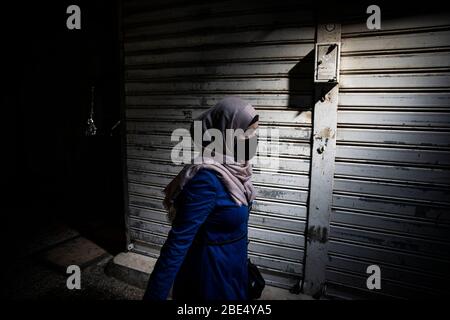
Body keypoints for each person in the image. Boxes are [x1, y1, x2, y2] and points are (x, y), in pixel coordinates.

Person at [142, 96, 259, 301]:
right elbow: (177, 245)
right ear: (226, 132)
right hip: (210, 281)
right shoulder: (207, 179)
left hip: (234, 274)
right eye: (247, 133)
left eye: (255, 132)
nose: (253, 138)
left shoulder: (239, 171)